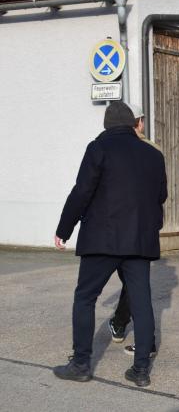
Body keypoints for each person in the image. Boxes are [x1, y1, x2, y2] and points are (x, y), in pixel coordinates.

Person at [53, 102, 167, 387]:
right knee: (142, 304)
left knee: (85, 297)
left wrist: (64, 229)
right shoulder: (153, 155)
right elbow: (160, 196)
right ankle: (140, 371)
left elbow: (82, 191)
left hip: (101, 239)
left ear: (106, 125)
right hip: (139, 241)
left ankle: (81, 364)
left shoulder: (98, 148)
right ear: (132, 124)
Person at [107, 103, 165, 358]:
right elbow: (160, 194)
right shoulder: (153, 150)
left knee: (132, 285)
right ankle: (133, 333)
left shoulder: (105, 147)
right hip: (144, 228)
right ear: (139, 123)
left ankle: (124, 326)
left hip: (114, 230)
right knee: (137, 284)